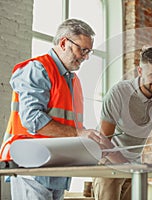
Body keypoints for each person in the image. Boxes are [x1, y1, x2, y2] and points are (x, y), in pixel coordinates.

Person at [0, 19, 112, 200]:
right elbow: (32, 120)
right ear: (63, 43)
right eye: (82, 50)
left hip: (56, 167)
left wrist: (90, 143)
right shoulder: (37, 70)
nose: (86, 56)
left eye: (88, 51)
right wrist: (80, 134)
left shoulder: (72, 81)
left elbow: (71, 128)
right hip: (31, 166)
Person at [92, 46, 152, 200]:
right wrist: (126, 166)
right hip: (109, 165)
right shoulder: (119, 92)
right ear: (140, 71)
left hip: (135, 165)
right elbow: (103, 141)